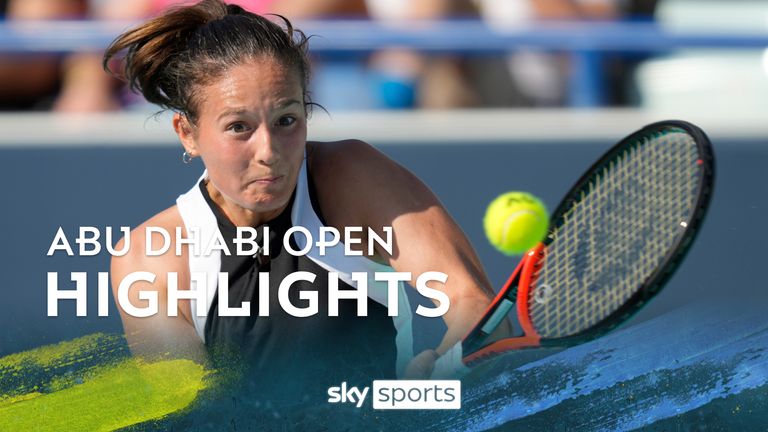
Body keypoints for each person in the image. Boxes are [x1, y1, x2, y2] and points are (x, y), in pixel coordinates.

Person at [106, 0, 502, 403]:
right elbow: (195, 417)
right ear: (187, 132)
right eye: (239, 127)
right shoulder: (147, 260)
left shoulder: (354, 177)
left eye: (287, 120)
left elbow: (471, 301)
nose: (268, 151)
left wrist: (428, 388)